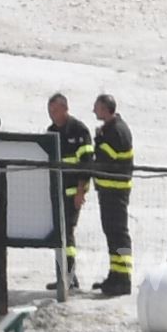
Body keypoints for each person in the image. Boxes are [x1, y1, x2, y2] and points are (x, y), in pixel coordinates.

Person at [45, 93, 94, 290]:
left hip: (74, 192)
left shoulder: (79, 130)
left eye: (55, 111)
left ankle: (70, 276)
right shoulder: (51, 131)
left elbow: (86, 163)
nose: (52, 115)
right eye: (50, 111)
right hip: (57, 192)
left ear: (65, 109)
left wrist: (81, 192)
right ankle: (62, 275)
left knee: (68, 233)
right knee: (59, 234)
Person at [91, 94, 134, 296]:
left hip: (115, 192)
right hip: (109, 191)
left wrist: (98, 139)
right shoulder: (112, 129)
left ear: (106, 109)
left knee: (119, 236)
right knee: (112, 235)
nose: (94, 112)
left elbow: (104, 158)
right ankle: (115, 275)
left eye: (97, 108)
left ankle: (124, 278)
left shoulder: (116, 131)